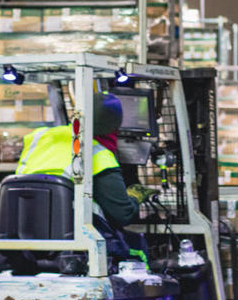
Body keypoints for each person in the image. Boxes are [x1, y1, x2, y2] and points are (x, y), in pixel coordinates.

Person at [14, 91, 150, 229]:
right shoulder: (99, 155)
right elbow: (122, 215)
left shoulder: (41, 137)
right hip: (77, 238)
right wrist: (134, 198)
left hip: (24, 229)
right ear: (114, 127)